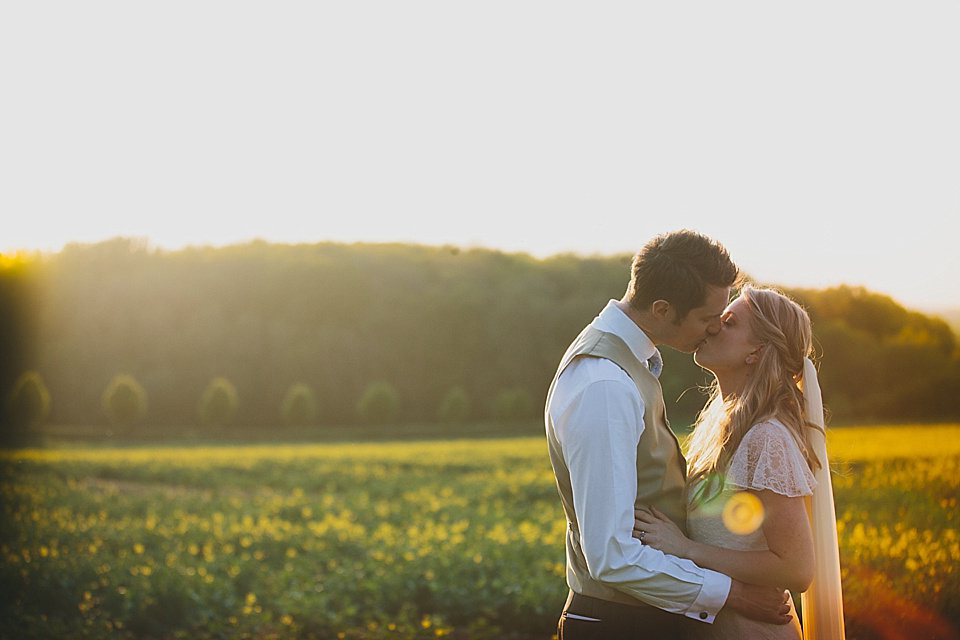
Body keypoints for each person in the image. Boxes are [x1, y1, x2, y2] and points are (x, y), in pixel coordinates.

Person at [544, 230, 793, 639]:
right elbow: (611, 556)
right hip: (620, 624)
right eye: (706, 318)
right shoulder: (604, 385)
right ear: (662, 308)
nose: (713, 329)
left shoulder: (627, 367)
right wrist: (732, 594)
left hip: (643, 619)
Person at [632, 285, 845, 639]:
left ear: (756, 352)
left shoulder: (766, 438)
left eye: (728, 322)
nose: (713, 326)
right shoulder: (722, 426)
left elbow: (796, 568)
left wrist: (686, 549)